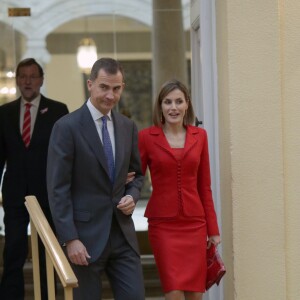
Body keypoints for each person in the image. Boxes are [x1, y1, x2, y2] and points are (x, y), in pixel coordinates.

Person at [47, 57, 145, 300]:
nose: (110, 95)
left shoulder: (127, 126)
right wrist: (70, 239)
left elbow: (137, 174)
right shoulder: (66, 127)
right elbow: (58, 189)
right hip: (84, 240)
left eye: (116, 88)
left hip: (122, 236)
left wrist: (132, 195)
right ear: (90, 84)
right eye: (104, 87)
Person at [138, 79, 221, 300]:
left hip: (195, 225)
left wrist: (213, 230)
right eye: (167, 102)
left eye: (178, 101)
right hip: (163, 226)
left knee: (195, 294)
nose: (173, 107)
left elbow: (205, 186)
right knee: (173, 292)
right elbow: (136, 178)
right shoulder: (146, 137)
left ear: (187, 105)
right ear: (160, 107)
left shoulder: (200, 136)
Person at [0, 58, 69, 300]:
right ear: (17, 80)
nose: (27, 81)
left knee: (46, 253)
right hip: (15, 194)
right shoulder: (4, 113)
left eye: (32, 76)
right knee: (13, 251)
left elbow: (64, 156)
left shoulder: (58, 111)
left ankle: (48, 296)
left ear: (41, 80)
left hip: (46, 194)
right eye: (23, 76)